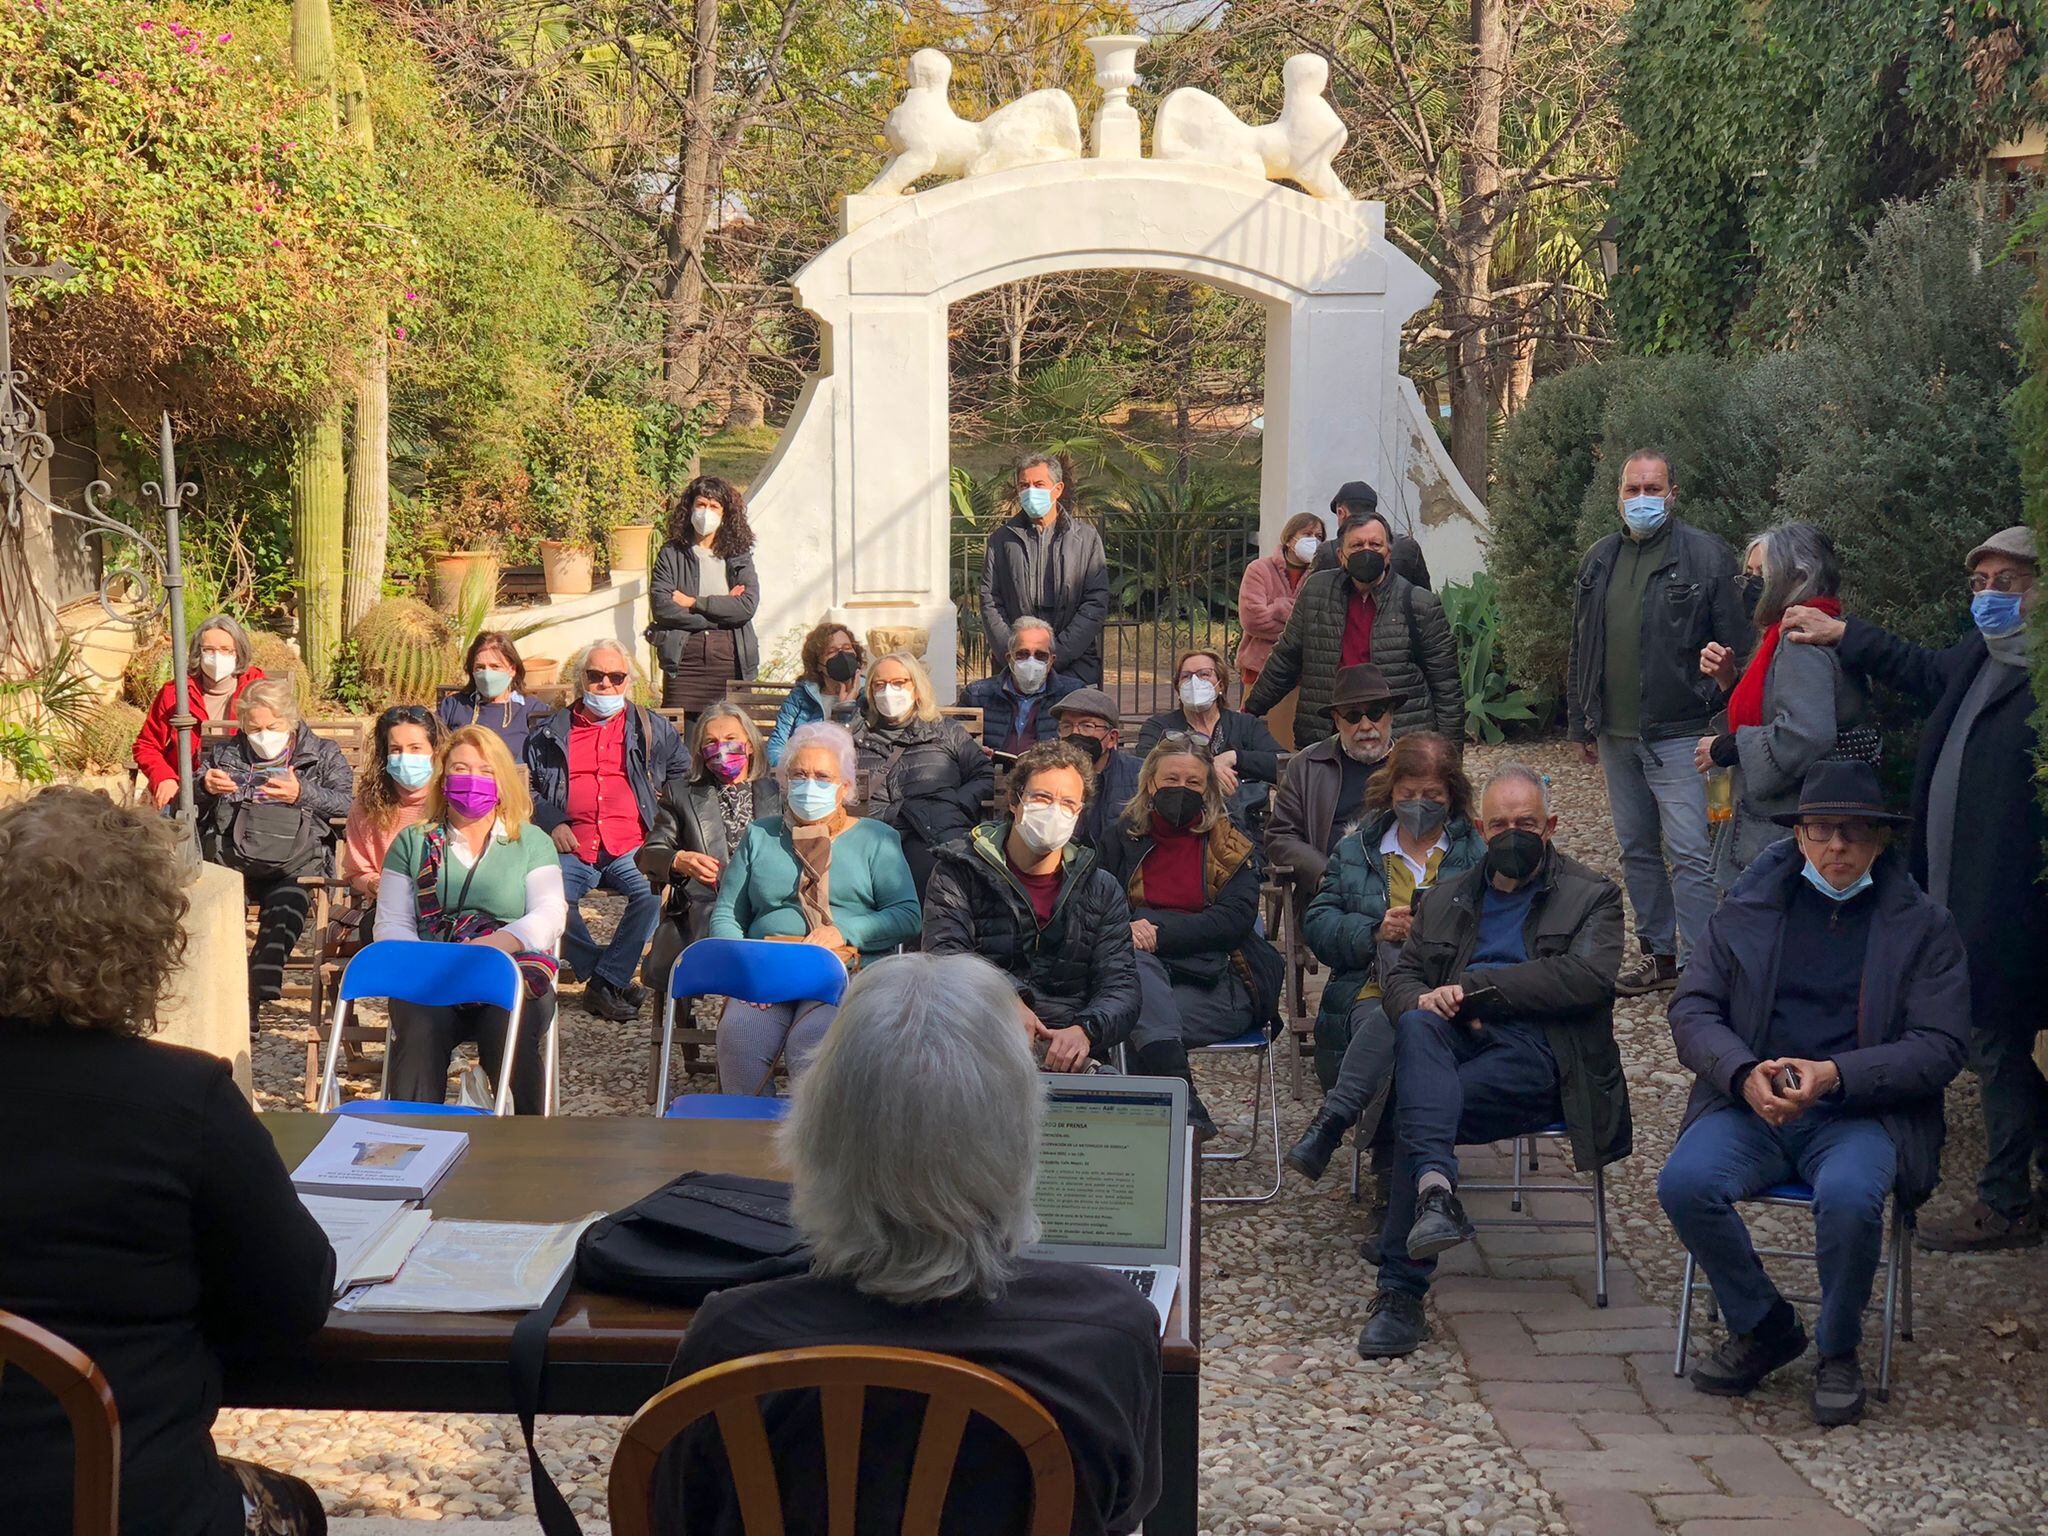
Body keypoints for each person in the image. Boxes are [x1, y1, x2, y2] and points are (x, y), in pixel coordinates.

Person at [652, 952, 1160, 1536]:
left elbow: (673, 1517)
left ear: (815, 1135)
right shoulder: (1109, 1332)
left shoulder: (732, 1344)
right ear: (1020, 1136)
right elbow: (1121, 1513)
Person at [0, 788, 335, 1536]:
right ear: (147, 935)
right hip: (125, 1507)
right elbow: (295, 1299)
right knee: (293, 1511)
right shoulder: (182, 1100)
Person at [1658, 762, 1969, 1425]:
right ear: (1798, 835)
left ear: (1879, 842)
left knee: (1854, 1197)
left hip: (1862, 1112)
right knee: (1684, 1182)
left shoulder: (1924, 926)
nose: (1837, 847)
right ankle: (1765, 1325)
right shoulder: (1746, 907)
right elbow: (1692, 1011)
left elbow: (1941, 1046)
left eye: (1854, 834)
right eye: (1823, 831)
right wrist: (1742, 1074)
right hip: (1753, 1105)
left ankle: (1838, 1348)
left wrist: (1837, 1076)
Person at [1782, 525, 2047, 1252]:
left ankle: (2006, 1202)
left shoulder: (2040, 678)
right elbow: (1921, 669)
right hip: (1956, 892)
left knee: (1995, 1045)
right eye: (1980, 585)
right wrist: (1844, 634)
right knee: (1992, 1043)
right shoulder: (1983, 657)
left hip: (2012, 905)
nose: (1989, 599)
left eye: (2007, 584)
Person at [1357, 763, 1630, 1360]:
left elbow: (1585, 978)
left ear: (1551, 826)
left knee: (1418, 1101)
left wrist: (1478, 987)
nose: (1513, 834)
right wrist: (1422, 999)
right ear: (1481, 827)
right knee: (1421, 1028)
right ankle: (1434, 1193)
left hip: (1544, 1056)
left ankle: (1401, 1288)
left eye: (1526, 823)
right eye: (1501, 823)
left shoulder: (1593, 896)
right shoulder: (1449, 896)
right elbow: (1402, 975)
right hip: (1452, 1041)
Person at [1566, 448, 1746, 995]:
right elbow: (1581, 646)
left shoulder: (1707, 557)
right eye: (1632, 489)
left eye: (1652, 488)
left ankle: (1699, 968)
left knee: (1691, 852)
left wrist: (1722, 709)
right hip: (1616, 734)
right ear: (1618, 495)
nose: (1641, 499)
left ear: (1672, 494)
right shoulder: (1599, 560)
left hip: (1682, 732)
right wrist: (1581, 723)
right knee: (1637, 848)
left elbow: (1738, 645)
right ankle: (1660, 955)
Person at [1288, 733, 1487, 1203]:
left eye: (1433, 796)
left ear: (1453, 795)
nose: (1420, 804)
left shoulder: (1476, 855)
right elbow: (1318, 923)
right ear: (1390, 790)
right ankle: (1407, 1178)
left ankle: (1342, 1131)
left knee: (1406, 1027)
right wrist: (1374, 931)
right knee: (1393, 1023)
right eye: (1408, 794)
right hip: (1370, 986)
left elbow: (1499, 932)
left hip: (1452, 993)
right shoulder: (1357, 850)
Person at [708, 721, 922, 1093]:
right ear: (785, 782)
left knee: (814, 1038)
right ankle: (744, 1141)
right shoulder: (761, 834)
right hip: (768, 969)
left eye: (822, 776)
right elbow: (727, 913)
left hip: (843, 972)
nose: (810, 785)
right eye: (799, 775)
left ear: (845, 787)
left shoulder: (876, 840)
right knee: (741, 1033)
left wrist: (844, 929)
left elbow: (907, 915)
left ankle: (817, 1143)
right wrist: (743, 972)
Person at [1096, 736, 1284, 1139]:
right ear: (1150, 784)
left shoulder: (1231, 846)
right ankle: (1184, 1106)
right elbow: (1097, 905)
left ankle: (1145, 1141)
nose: (1181, 789)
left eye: (1194, 783)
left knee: (1131, 1016)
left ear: (1209, 791)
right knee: (1137, 977)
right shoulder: (1120, 839)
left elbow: (1232, 923)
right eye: (1171, 779)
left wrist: (1150, 927)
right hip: (1142, 978)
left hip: (1222, 984)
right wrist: (1131, 930)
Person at [375, 726, 568, 1114]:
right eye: (460, 768)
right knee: (417, 1027)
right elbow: (391, 923)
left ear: (502, 781)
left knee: (508, 1028)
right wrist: (431, 965)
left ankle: (527, 1143)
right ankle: (414, 1139)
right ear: (442, 777)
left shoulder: (531, 842)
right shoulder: (412, 842)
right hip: (432, 971)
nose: (472, 780)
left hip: (509, 967)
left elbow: (550, 912)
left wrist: (497, 945)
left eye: (485, 770)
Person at [924, 739, 1141, 1072]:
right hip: (977, 1037)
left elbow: (1121, 985)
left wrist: (1084, 1030)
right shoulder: (958, 871)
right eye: (1042, 797)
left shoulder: (1101, 888)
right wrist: (1008, 1001)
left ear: (1079, 814)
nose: (1055, 810)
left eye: (1068, 803)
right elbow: (947, 958)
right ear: (1015, 801)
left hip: (1070, 1050)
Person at [1694, 523, 1869, 886]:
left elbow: (1805, 734)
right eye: (1749, 574)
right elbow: (1774, 711)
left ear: (1798, 577)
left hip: (1781, 833)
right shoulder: (1802, 632)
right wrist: (1730, 682)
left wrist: (1727, 747)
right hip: (1778, 829)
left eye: (1762, 574)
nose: (1752, 584)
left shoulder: (1800, 643)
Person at [524, 640, 687, 1023]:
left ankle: (603, 980)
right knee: (547, 896)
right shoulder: (550, 733)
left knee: (651, 891)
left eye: (615, 677)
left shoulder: (652, 729)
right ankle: (605, 976)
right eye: (595, 676)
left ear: (627, 682)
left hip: (632, 844)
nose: (605, 686)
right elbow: (526, 787)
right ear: (581, 680)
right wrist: (552, 821)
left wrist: (663, 819)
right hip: (573, 844)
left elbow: (682, 777)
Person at [195, 678, 353, 1021]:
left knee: (289, 903)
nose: (263, 735)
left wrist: (302, 794)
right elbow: (186, 805)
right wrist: (204, 786)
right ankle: (240, 995)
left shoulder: (322, 754)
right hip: (233, 858)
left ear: (290, 720)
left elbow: (348, 806)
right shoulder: (225, 754)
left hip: (295, 860)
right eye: (254, 728)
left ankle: (254, 987)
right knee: (219, 914)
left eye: (272, 726)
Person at [1243, 505, 1461, 746]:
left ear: (1388, 552)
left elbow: (1446, 687)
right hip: (1328, 734)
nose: (1366, 551)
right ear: (1341, 555)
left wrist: (1448, 760)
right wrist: (1249, 712)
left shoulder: (1420, 604)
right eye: (1357, 546)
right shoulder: (1317, 592)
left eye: (1375, 545)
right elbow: (1286, 659)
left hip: (1398, 740)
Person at [639, 703, 783, 993]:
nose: (722, 749)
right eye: (711, 742)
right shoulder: (680, 794)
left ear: (750, 745)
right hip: (707, 906)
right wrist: (679, 860)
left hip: (770, 904)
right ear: (700, 752)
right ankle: (747, 998)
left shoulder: (779, 792)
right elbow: (649, 852)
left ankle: (749, 1007)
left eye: (731, 739)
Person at [850, 650, 993, 894]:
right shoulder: (854, 738)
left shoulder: (946, 731)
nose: (888, 691)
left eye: (898, 683)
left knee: (936, 875)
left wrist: (957, 804)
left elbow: (984, 774)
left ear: (917, 687)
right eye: (880, 684)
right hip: (872, 838)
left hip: (936, 836)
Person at [1263, 664, 1403, 897]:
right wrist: (1324, 873)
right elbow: (1280, 836)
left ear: (1390, 715)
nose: (1366, 726)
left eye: (1376, 712)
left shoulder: (1414, 765)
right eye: (1353, 716)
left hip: (1400, 886)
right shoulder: (1306, 766)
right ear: (1337, 721)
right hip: (1332, 895)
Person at [978, 449, 1111, 685]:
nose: (1031, 492)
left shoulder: (1086, 539)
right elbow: (990, 600)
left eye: (1039, 484)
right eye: (1024, 485)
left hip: (1074, 667)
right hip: (1014, 668)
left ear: (1057, 489)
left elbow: (1095, 601)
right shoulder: (1001, 540)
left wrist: (1053, 656)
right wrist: (1017, 654)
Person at [646, 474, 761, 710]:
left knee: (732, 739)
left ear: (724, 514)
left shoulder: (738, 555)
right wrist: (722, 612)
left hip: (731, 663)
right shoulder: (671, 553)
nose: (706, 512)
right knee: (681, 740)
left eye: (714, 506)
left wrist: (693, 602)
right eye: (701, 504)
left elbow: (746, 607)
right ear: (690, 508)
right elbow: (662, 607)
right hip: (684, 662)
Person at [1138, 646, 1285, 831]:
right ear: (1178, 687)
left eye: (1204, 674)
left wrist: (1235, 757)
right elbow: (1144, 763)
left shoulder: (1245, 725)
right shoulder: (1160, 726)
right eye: (1186, 676)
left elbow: (1282, 763)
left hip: (1238, 828)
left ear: (1220, 684)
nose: (1194, 681)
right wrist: (1208, 769)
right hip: (1177, 823)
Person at [134, 612, 264, 809]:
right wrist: (163, 778)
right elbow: (146, 745)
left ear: (238, 653)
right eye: (209, 650)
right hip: (186, 790)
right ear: (198, 653)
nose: (217, 657)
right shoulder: (175, 693)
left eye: (225, 650)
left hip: (241, 790)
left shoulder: (257, 689)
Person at [341, 704, 445, 899]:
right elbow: (356, 872)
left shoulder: (451, 800)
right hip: (390, 905)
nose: (406, 757)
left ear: (436, 751)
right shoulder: (367, 806)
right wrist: (374, 884)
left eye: (415, 748)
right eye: (396, 749)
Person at [960, 615, 1081, 756]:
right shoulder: (976, 695)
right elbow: (955, 744)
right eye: (1022, 654)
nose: (1031, 662)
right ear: (1009, 658)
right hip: (990, 773)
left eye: (1040, 655)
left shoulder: (1073, 695)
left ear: (1051, 661)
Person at [1237, 511, 1327, 694]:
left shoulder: (1323, 575)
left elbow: (1323, 625)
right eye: (1307, 534)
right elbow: (1253, 620)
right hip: (1260, 670)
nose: (1313, 541)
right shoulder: (1259, 570)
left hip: (1305, 674)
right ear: (1289, 538)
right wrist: (1293, 618)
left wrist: (1275, 610)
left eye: (1319, 537)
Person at [438, 631, 552, 761]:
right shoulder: (453, 706)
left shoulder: (533, 711)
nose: (487, 674)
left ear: (512, 669)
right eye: (480, 667)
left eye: (495, 666)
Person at [766, 621, 866, 766]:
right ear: (818, 664)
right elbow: (777, 746)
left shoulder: (868, 695)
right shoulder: (801, 696)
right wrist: (790, 773)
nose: (842, 655)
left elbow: (860, 751)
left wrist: (845, 707)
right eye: (831, 651)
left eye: (847, 648)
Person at [1051, 686, 1140, 848]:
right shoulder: (1049, 776)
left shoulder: (1138, 776)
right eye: (1067, 726)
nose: (1075, 733)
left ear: (1112, 738)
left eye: (1087, 726)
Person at [1310, 481, 1433, 591]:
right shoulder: (1408, 547)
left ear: (1341, 513)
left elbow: (1312, 597)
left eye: (1375, 545)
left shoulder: (1327, 551)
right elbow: (1424, 595)